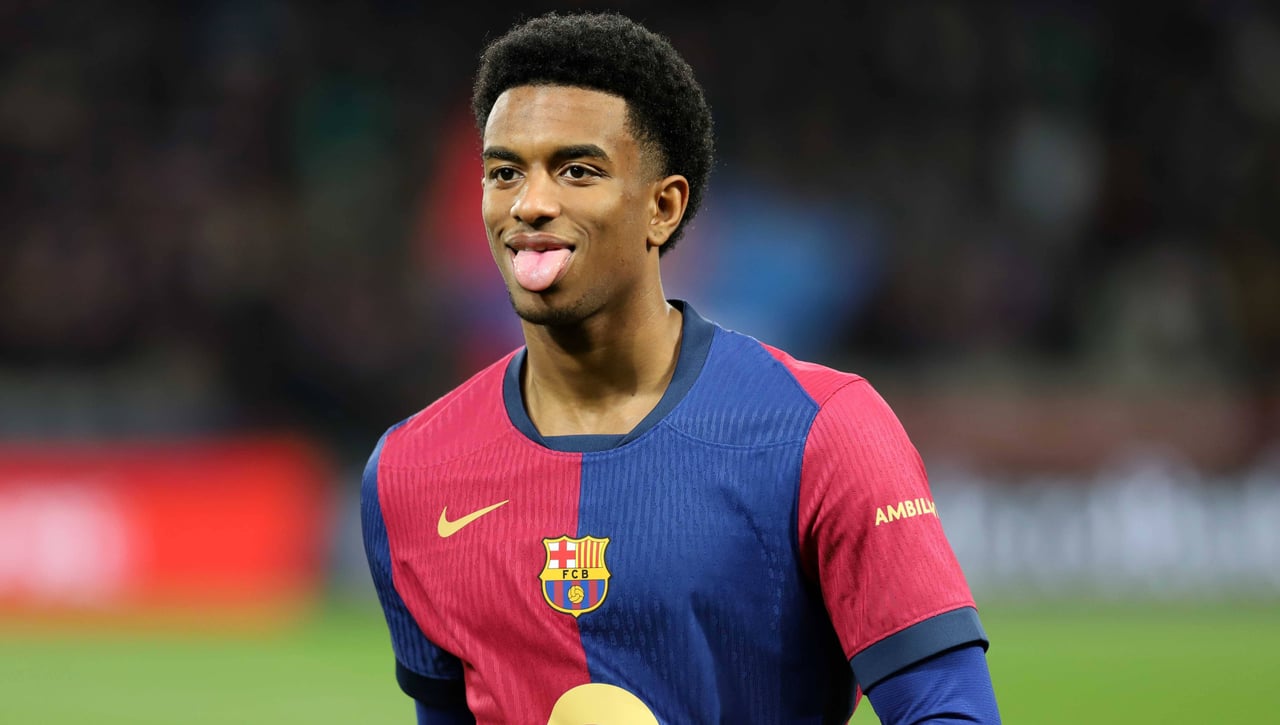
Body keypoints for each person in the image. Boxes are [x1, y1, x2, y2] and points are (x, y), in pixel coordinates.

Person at [362, 11, 1000, 724]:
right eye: (504, 172)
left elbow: (950, 711)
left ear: (662, 208)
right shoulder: (408, 471)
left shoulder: (822, 431)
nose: (531, 204)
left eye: (577, 171)